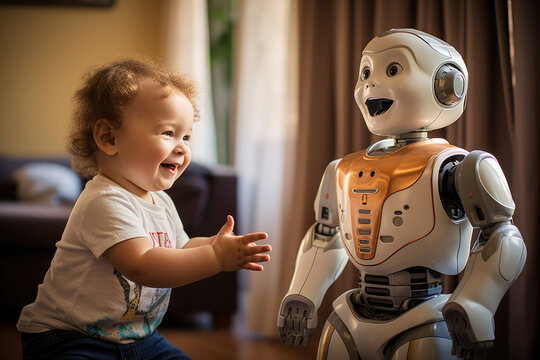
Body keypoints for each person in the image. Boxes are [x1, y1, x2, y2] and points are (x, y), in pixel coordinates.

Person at [17, 59, 271, 360]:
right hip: (68, 337)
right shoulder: (104, 200)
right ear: (109, 138)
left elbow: (182, 247)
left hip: (139, 337)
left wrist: (217, 244)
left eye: (186, 136)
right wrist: (215, 258)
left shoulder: (160, 200)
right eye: (167, 133)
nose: (182, 147)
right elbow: (142, 264)